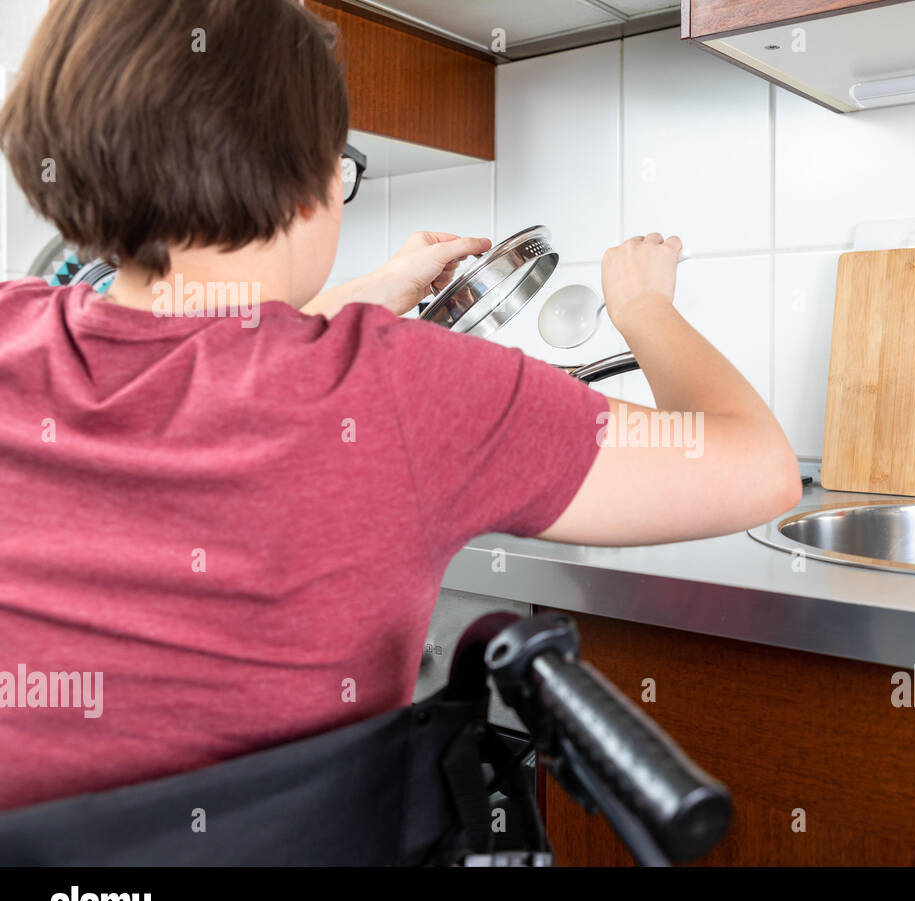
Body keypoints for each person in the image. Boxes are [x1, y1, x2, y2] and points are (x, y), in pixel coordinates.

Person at [0, 0, 801, 811]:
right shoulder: (407, 389)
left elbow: (181, 347)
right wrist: (646, 309)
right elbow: (761, 471)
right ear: (311, 184)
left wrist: (360, 299)